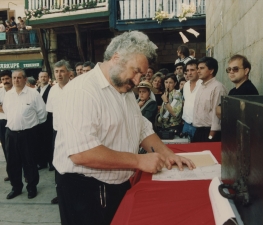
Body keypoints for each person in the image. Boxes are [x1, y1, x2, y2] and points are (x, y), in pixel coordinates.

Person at [53, 31, 195, 225]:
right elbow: (81, 153)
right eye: (135, 71)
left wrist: (167, 154)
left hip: (114, 185)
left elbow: (142, 128)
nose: (137, 81)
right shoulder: (82, 91)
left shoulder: (123, 89)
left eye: (142, 75)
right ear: (116, 58)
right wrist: (138, 160)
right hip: (86, 191)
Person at [3, 69, 47, 199]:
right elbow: (6, 111)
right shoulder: (8, 95)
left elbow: (42, 114)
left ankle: (31, 187)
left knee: (29, 162)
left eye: (19, 78)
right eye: (14, 77)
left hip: (28, 134)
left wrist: (30, 126)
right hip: (10, 133)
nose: (16, 80)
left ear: (25, 79)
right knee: (12, 163)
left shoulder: (33, 94)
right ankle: (16, 187)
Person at [46, 60, 71, 204]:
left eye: (62, 71)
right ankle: (60, 193)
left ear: (68, 72)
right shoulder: (53, 90)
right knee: (58, 163)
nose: (59, 74)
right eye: (56, 71)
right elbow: (50, 112)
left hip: (73, 132)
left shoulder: (76, 88)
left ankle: (71, 193)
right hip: (57, 132)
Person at [192, 57, 227, 142]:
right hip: (198, 131)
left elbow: (217, 116)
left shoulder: (218, 88)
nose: (198, 71)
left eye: (202, 68)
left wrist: (211, 137)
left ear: (211, 71)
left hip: (210, 132)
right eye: (198, 68)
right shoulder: (201, 86)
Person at [216, 54, 259, 119]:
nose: (231, 72)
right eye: (229, 69)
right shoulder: (233, 90)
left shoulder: (248, 90)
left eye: (235, 69)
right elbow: (219, 110)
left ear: (246, 71)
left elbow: (226, 113)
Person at [37, 71, 53, 170]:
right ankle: (42, 162)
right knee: (40, 142)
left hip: (49, 119)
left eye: (45, 77)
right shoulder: (36, 91)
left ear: (48, 78)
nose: (43, 78)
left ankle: (51, 162)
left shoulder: (51, 90)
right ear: (38, 78)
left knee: (49, 141)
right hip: (39, 120)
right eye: (41, 77)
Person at [181, 60, 201, 139]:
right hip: (186, 124)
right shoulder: (185, 85)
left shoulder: (203, 85)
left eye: (192, 70)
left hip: (199, 126)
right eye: (187, 70)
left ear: (198, 70)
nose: (189, 73)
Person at [0, 70, 13, 181]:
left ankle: (27, 174)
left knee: (20, 149)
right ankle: (11, 173)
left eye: (7, 78)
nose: (5, 81)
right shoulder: (0, 92)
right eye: (3, 79)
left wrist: (3, 108)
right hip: (2, 122)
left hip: (15, 122)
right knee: (6, 148)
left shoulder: (16, 90)